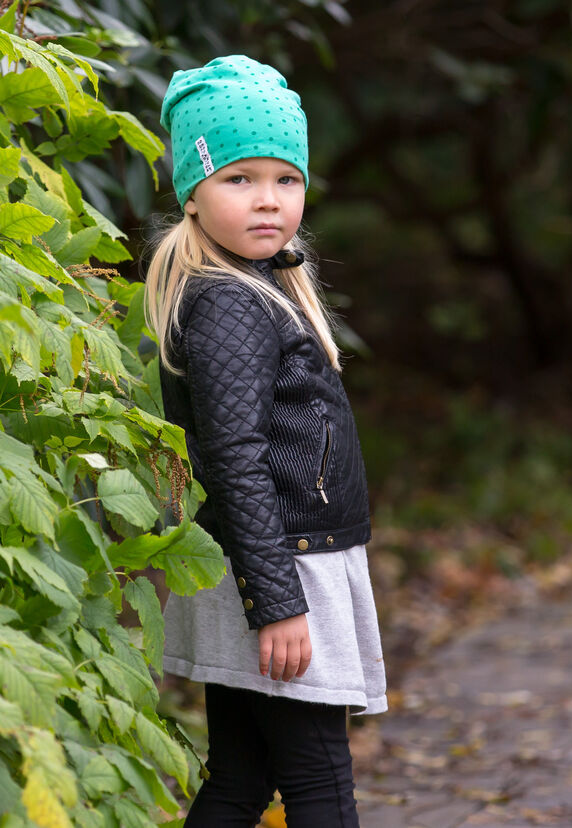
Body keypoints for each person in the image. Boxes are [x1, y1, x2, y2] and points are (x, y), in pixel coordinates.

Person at [144, 54, 387, 828]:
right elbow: (234, 458)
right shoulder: (229, 301)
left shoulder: (254, 285)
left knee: (243, 779)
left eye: (286, 178)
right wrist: (276, 604)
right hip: (280, 571)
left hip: (264, 564)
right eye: (239, 178)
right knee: (320, 784)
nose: (268, 200)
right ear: (193, 190)